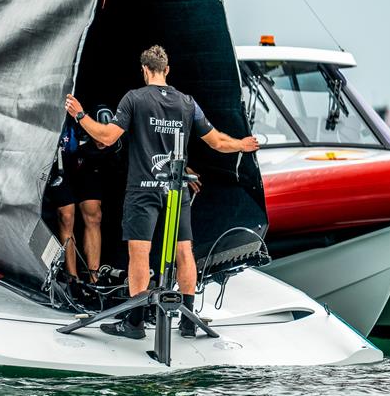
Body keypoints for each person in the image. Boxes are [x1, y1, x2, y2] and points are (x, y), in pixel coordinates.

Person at [64, 45, 259, 339]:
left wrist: (80, 115)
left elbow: (107, 136)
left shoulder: (134, 99)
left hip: (144, 190)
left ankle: (135, 323)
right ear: (167, 70)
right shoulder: (187, 103)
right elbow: (217, 141)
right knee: (184, 251)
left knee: (139, 254)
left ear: (144, 71)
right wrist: (242, 144)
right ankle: (189, 321)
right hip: (176, 189)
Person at [48, 107, 120, 285]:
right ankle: (72, 277)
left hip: (86, 168)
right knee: (67, 215)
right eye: (99, 137)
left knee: (94, 215)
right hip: (61, 166)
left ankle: (94, 277)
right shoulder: (76, 130)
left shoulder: (113, 139)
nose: (103, 143)